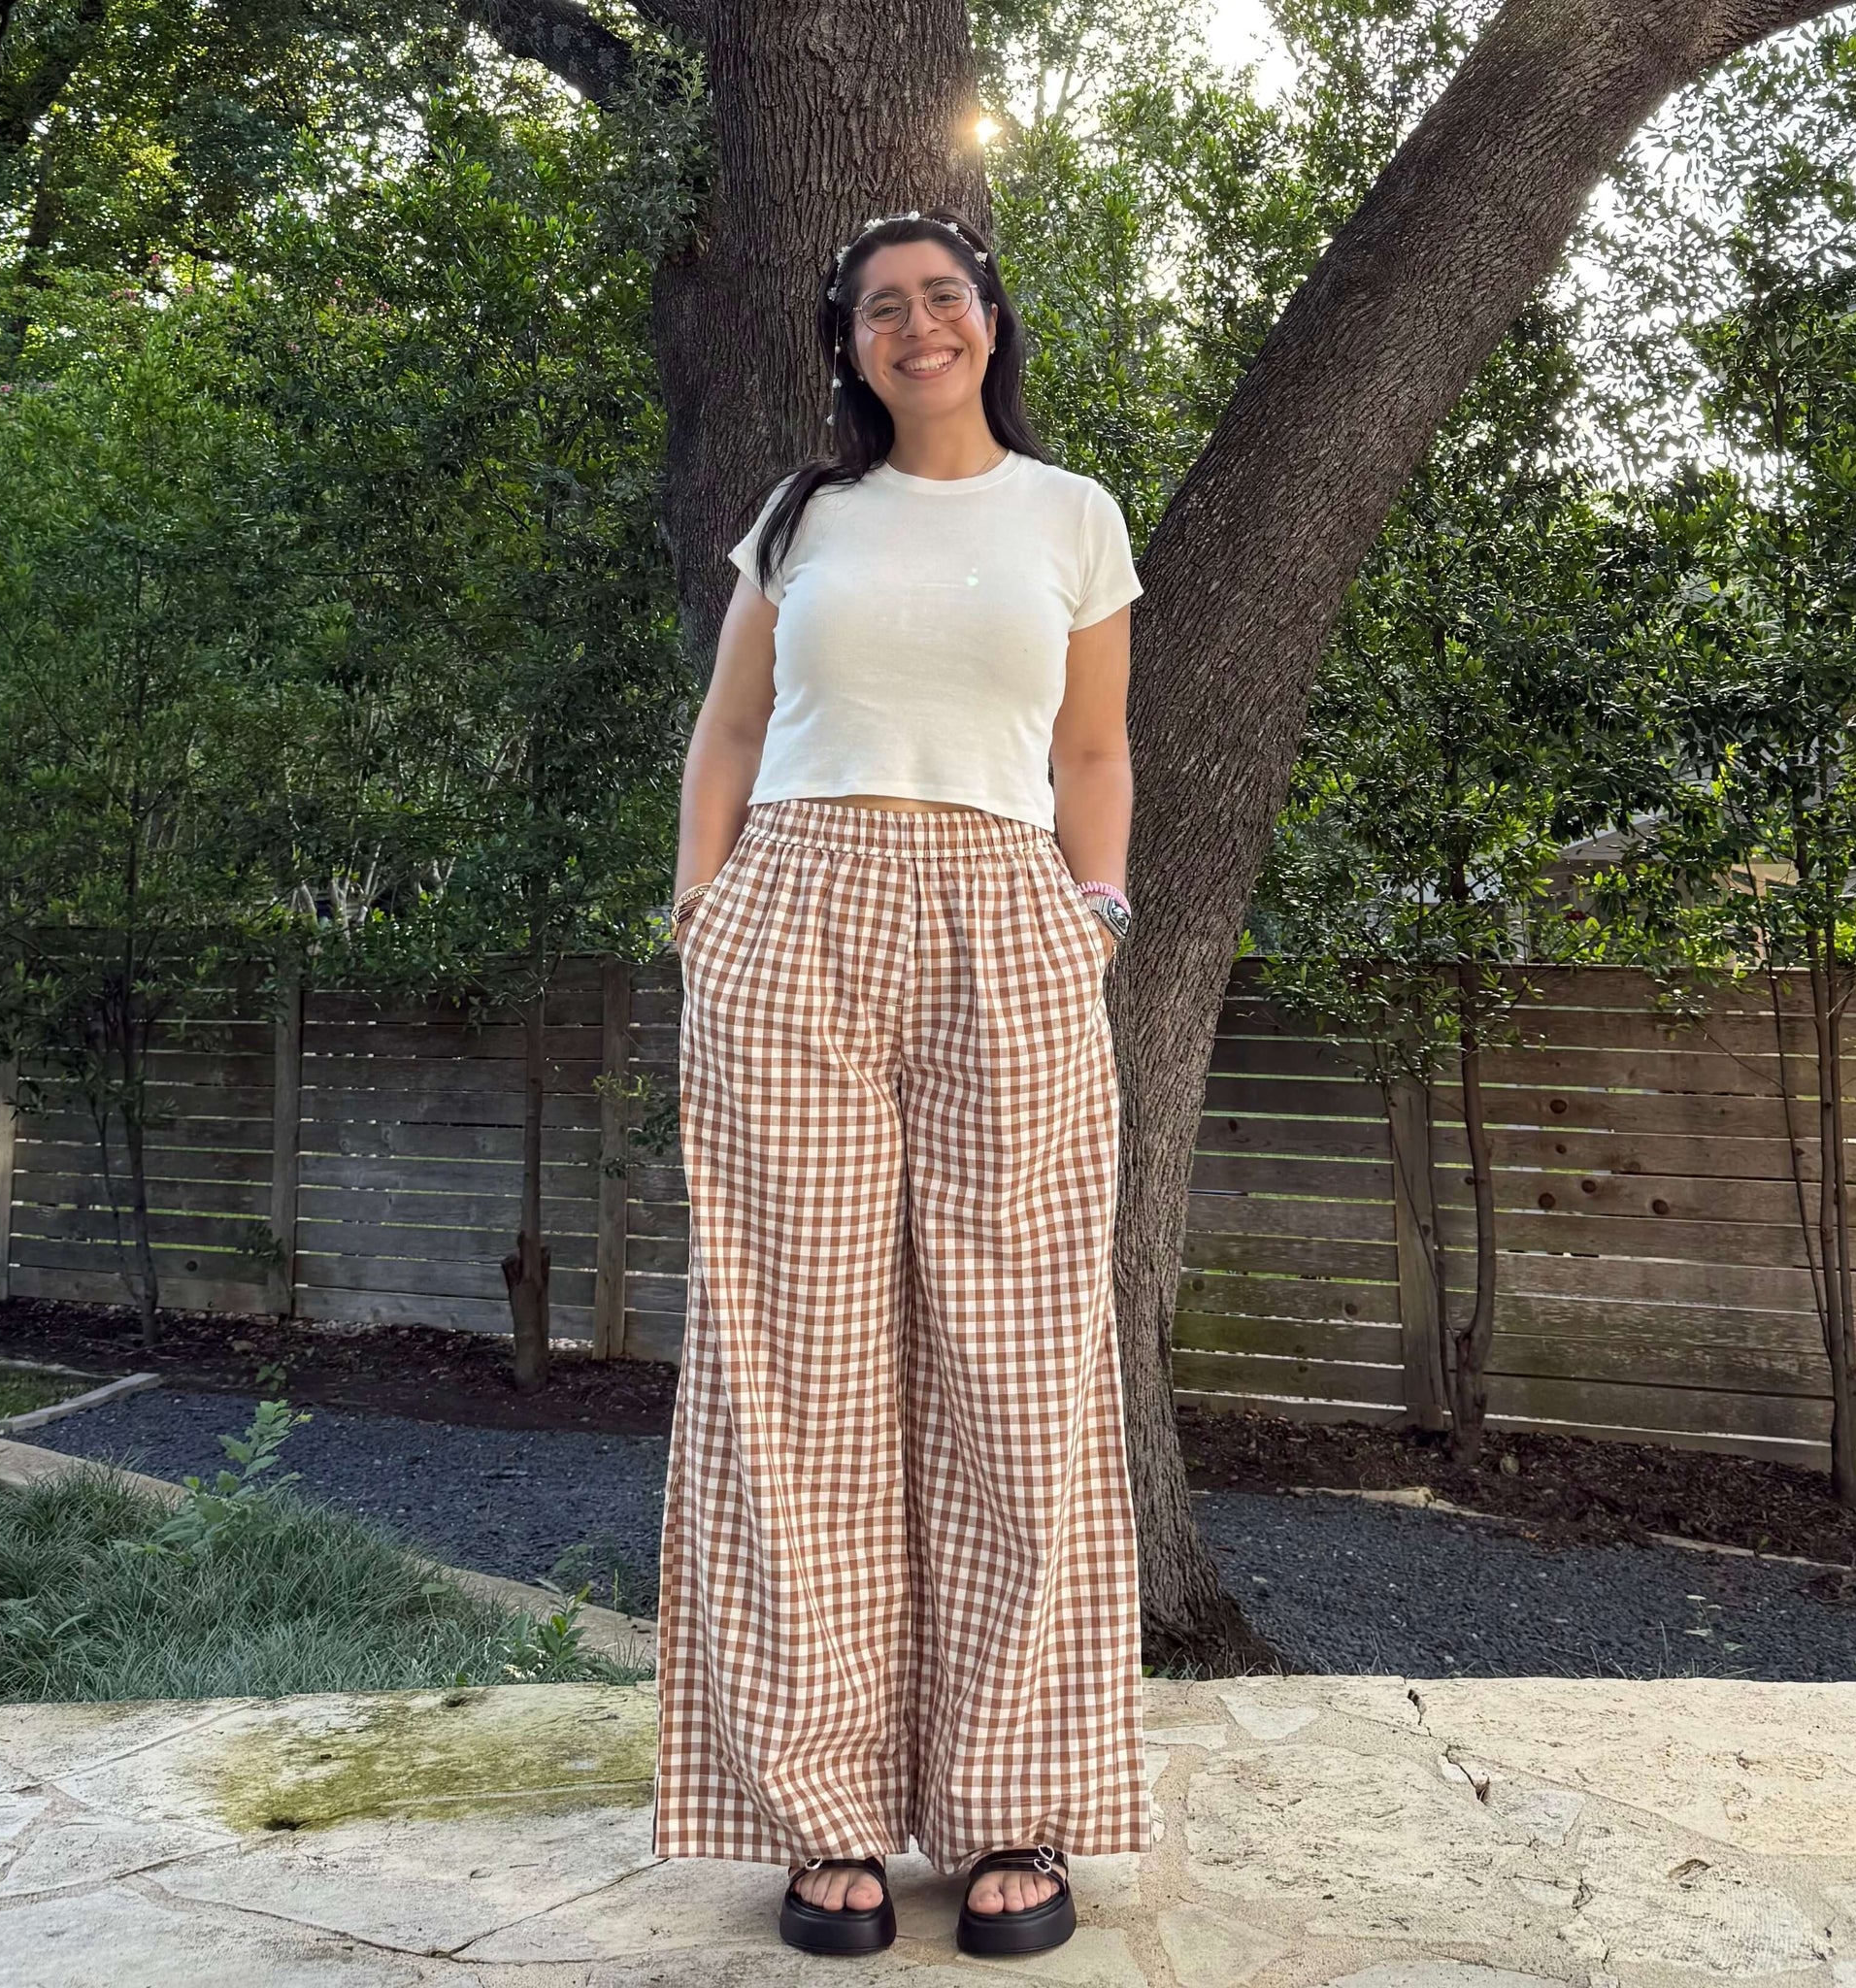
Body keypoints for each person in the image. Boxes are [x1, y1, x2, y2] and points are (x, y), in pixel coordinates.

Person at [650, 204, 1149, 1964]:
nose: (918, 325)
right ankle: (829, 1814)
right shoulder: (801, 519)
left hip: (1009, 920)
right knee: (799, 1365)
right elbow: (727, 732)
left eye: (945, 297)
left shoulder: (1073, 516)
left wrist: (1095, 918)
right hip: (794, 913)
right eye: (882, 308)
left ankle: (1013, 1802)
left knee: (1016, 1360)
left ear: (990, 321)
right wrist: (702, 916)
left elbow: (1095, 747)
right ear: (849, 346)